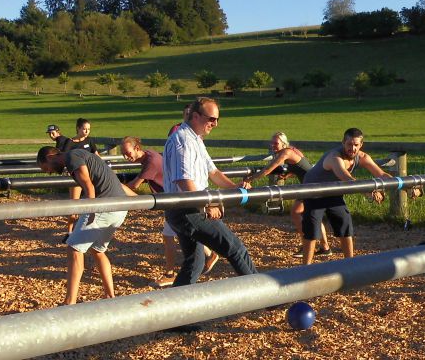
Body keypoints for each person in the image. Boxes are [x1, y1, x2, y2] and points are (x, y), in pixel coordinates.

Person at [163, 97, 258, 286]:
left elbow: (212, 172)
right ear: (196, 116)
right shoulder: (183, 140)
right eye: (211, 119)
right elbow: (184, 180)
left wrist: (235, 188)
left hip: (187, 206)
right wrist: (207, 204)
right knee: (234, 248)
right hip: (188, 209)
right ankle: (265, 295)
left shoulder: (195, 139)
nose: (215, 124)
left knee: (195, 262)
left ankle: (175, 307)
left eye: (217, 120)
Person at [36, 146, 135, 305]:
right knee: (97, 250)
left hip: (103, 206)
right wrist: (137, 200)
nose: (48, 172)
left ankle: (70, 302)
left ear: (49, 157)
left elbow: (88, 187)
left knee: (74, 249)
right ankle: (110, 297)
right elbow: (108, 181)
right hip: (119, 207)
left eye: (45, 168)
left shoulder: (71, 158)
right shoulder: (80, 156)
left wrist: (92, 213)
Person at [120, 136, 219, 287]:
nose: (126, 157)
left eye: (128, 153)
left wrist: (116, 185)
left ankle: (170, 274)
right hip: (175, 197)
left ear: (137, 149)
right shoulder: (150, 155)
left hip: (174, 200)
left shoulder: (151, 163)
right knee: (187, 231)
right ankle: (210, 253)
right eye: (123, 154)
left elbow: (133, 186)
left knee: (168, 236)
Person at [301, 128, 391, 265]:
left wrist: (403, 184)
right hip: (314, 191)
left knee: (345, 224)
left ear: (361, 145)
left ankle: (350, 264)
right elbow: (345, 176)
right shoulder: (334, 157)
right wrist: (368, 191)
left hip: (334, 191)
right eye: (349, 144)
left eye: (356, 145)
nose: (352, 148)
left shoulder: (363, 157)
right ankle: (305, 268)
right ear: (343, 142)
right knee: (312, 229)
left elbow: (381, 174)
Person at [244, 132, 330, 258]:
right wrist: (289, 174)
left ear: (283, 144)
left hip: (310, 185)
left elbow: (269, 169)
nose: (272, 145)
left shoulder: (285, 153)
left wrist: (250, 178)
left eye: (276, 143)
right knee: (314, 215)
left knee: (296, 212)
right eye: (271, 142)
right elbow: (302, 166)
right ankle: (325, 247)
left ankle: (307, 245)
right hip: (314, 183)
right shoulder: (293, 150)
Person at [62, 118, 99, 238]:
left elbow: (97, 156)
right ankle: (69, 232)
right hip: (77, 177)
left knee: (94, 201)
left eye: (88, 129)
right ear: (78, 128)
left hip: (91, 175)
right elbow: (63, 158)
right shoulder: (70, 142)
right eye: (84, 129)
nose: (86, 131)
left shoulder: (90, 141)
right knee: (74, 204)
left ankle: (90, 229)